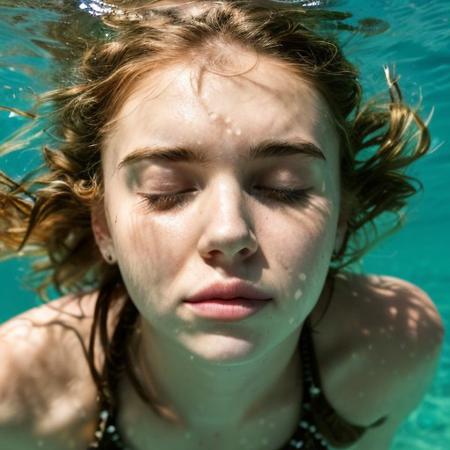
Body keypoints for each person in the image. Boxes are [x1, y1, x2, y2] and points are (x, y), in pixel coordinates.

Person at [0, 1, 445, 449]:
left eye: (284, 186)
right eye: (165, 188)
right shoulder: (15, 395)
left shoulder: (392, 345)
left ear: (342, 219)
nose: (229, 233)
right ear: (103, 226)